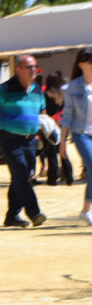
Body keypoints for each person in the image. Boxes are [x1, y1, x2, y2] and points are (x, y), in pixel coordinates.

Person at [0, 54, 47, 228]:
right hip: (9, 139)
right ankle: (34, 213)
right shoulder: (4, 89)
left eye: (35, 66)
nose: (34, 70)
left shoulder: (37, 90)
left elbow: (42, 114)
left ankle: (12, 216)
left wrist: (42, 133)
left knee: (19, 179)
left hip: (31, 141)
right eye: (29, 67)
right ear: (18, 69)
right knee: (21, 175)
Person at [59, 47, 92, 226]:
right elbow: (67, 115)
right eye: (90, 61)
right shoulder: (74, 86)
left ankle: (85, 212)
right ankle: (86, 211)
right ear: (81, 64)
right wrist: (62, 142)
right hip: (81, 134)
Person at [44, 71, 72, 185]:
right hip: (62, 124)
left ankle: (52, 178)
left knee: (51, 152)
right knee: (63, 151)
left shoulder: (46, 94)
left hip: (50, 125)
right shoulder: (63, 94)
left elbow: (45, 111)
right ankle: (69, 177)